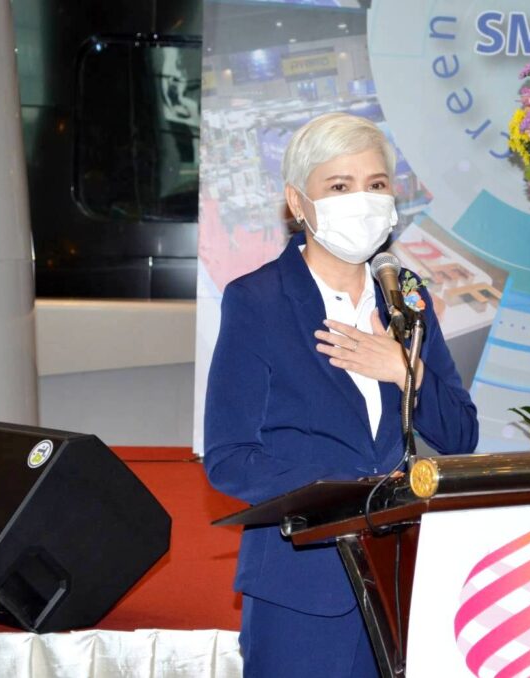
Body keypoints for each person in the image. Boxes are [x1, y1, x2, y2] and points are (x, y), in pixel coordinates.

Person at [204, 112, 479, 678]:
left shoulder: (406, 299)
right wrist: (347, 493)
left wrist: (407, 373)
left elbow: (461, 435)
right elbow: (229, 459)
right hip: (302, 583)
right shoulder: (258, 301)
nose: (363, 200)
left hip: (403, 578)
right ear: (297, 202)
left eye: (375, 184)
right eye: (339, 186)